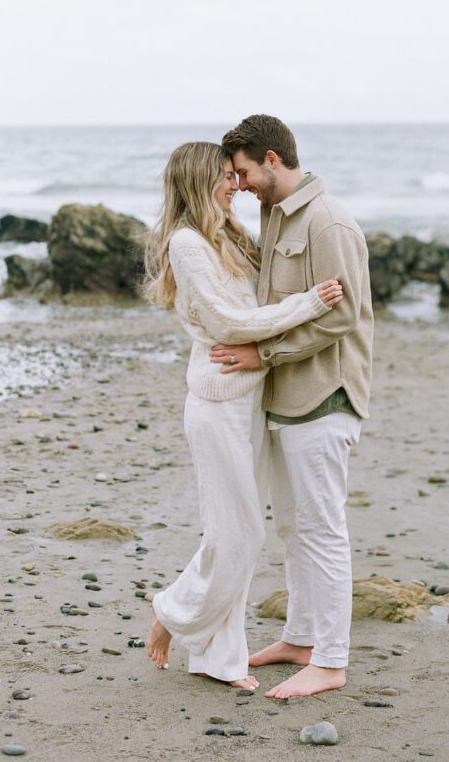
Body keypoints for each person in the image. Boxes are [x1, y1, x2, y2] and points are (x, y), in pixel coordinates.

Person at [143, 140, 344, 689]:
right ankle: (172, 612)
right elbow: (232, 324)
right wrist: (310, 304)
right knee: (238, 535)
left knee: (235, 533)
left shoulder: (228, 234)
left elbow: (256, 304)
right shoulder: (186, 244)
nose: (236, 185)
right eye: (226, 177)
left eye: (237, 175)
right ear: (198, 180)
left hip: (249, 397)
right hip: (216, 404)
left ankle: (218, 660)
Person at [210, 114, 373, 699]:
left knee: (323, 529)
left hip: (325, 394)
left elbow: (341, 316)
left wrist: (264, 354)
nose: (242, 182)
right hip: (286, 398)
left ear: (273, 160)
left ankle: (330, 662)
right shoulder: (273, 215)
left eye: (245, 171)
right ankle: (302, 638)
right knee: (293, 526)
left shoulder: (330, 224)